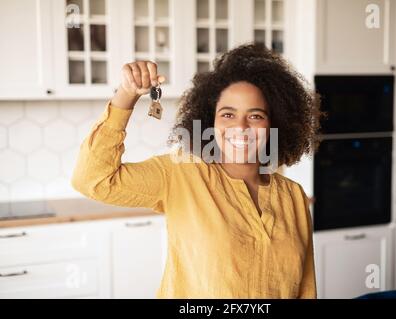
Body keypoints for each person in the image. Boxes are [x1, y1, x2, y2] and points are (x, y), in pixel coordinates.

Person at [71, 43, 323, 298]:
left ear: (274, 124)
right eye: (227, 114)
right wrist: (126, 95)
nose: (241, 126)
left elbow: (306, 289)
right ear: (209, 122)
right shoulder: (181, 176)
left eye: (256, 116)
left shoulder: (294, 197)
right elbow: (93, 179)